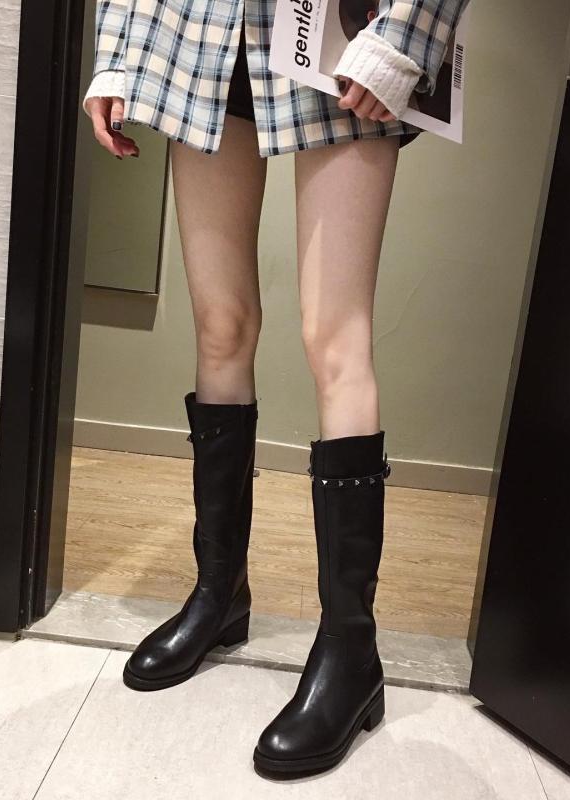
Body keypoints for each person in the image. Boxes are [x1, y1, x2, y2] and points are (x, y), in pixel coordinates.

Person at [83, 0, 470, 778]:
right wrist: (118, 57)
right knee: (220, 328)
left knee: (336, 338)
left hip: (341, 37)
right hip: (200, 38)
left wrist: (400, 39)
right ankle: (218, 592)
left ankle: (351, 649)